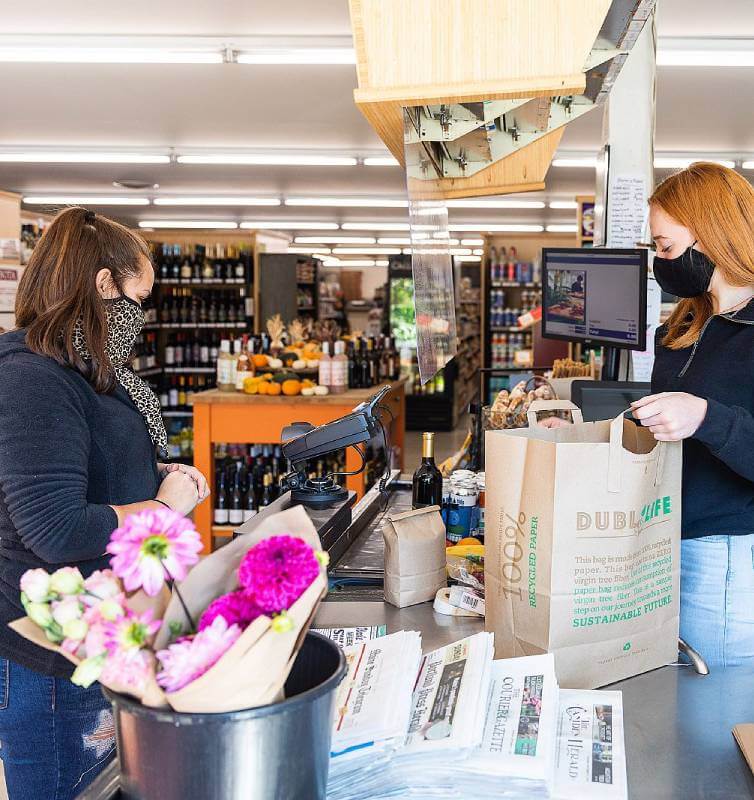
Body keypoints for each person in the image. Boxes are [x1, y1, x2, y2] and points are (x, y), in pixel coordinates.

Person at [0, 207, 210, 799]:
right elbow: (56, 527)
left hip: (101, 641)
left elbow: (86, 464)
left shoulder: (84, 368)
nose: (140, 318)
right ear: (103, 286)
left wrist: (149, 473)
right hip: (54, 665)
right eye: (137, 300)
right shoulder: (34, 379)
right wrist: (161, 510)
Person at [545, 163, 754, 669]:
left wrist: (705, 417)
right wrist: (589, 435)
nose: (660, 261)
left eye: (665, 246)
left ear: (712, 234)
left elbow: (702, 418)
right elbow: (665, 424)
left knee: (713, 700)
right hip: (660, 539)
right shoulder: (685, 323)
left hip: (723, 554)